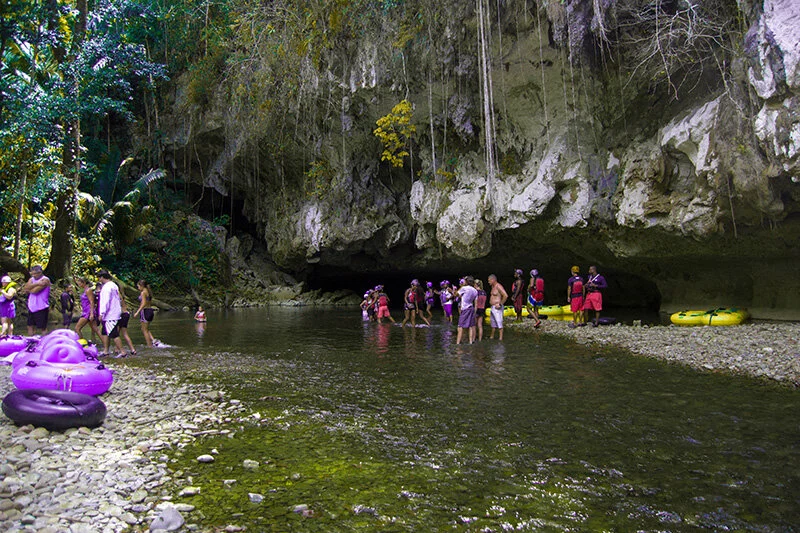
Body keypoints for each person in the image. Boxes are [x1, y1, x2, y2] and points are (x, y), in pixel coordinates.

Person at [97, 270, 126, 357]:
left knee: (113, 333)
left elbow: (105, 301)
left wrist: (101, 313)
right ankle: (106, 351)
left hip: (110, 314)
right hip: (114, 312)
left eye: (99, 278)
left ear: (102, 277)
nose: (99, 280)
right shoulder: (114, 285)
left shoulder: (106, 287)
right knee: (105, 332)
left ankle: (122, 352)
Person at [23, 265, 51, 336]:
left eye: (35, 274)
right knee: (30, 325)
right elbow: (26, 288)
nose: (34, 275)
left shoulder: (45, 279)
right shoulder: (32, 279)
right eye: (32, 274)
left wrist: (30, 287)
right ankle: (31, 341)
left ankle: (44, 341)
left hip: (41, 306)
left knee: (42, 327)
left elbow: (34, 291)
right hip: (32, 306)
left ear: (40, 273)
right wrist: (37, 283)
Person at [74, 277, 101, 341]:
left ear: (84, 282)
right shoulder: (85, 290)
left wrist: (91, 313)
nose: (78, 284)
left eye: (79, 282)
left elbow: (92, 301)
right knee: (95, 329)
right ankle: (105, 346)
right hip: (86, 311)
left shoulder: (88, 290)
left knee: (77, 328)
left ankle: (83, 344)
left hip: (88, 312)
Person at [456, 276, 478, 345]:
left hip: (465, 309)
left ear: (467, 282)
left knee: (460, 326)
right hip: (471, 308)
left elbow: (456, 294)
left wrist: (460, 287)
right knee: (470, 326)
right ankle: (471, 342)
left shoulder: (464, 288)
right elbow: (475, 301)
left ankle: (458, 343)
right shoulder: (475, 291)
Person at [134, 279, 156, 347]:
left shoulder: (143, 292)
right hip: (150, 311)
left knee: (144, 330)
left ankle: (149, 345)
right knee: (145, 328)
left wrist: (137, 312)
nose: (138, 288)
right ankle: (153, 340)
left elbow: (143, 303)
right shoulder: (148, 292)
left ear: (142, 286)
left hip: (145, 311)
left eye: (138, 286)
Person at [488, 274, 508, 340]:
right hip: (492, 307)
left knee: (499, 322)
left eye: (489, 281)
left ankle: (500, 338)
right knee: (493, 323)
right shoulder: (493, 287)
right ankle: (492, 336)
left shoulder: (498, 286)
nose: (488, 282)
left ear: (493, 280)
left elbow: (505, 295)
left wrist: (500, 304)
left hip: (497, 307)